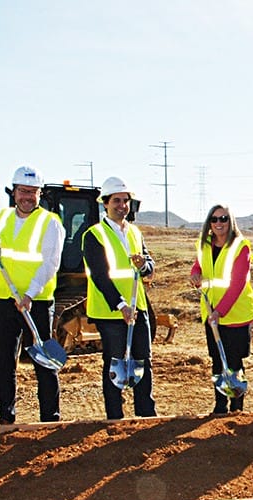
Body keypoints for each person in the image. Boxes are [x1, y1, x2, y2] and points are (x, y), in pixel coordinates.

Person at [0, 166, 64, 424]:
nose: (27, 196)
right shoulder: (3, 217)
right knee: (3, 359)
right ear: (14, 192)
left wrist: (29, 294)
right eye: (23, 191)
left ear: (40, 194)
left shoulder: (50, 223)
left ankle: (50, 417)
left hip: (35, 302)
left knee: (43, 361)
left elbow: (50, 264)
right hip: (3, 298)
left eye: (33, 192)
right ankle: (6, 414)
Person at [82, 176, 157, 420]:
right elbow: (100, 276)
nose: (122, 205)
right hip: (110, 311)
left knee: (142, 360)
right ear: (105, 203)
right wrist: (121, 305)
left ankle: (145, 413)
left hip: (138, 307)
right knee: (115, 364)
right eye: (117, 200)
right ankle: (115, 417)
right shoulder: (94, 235)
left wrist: (145, 266)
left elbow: (148, 264)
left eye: (126, 201)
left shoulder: (135, 232)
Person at [189, 204, 253, 414]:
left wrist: (221, 311)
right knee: (217, 361)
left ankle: (236, 407)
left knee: (233, 362)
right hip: (211, 314)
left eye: (224, 218)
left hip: (234, 315)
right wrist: (195, 274)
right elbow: (198, 265)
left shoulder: (240, 246)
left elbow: (237, 284)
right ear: (209, 222)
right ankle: (220, 405)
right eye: (215, 219)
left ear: (231, 221)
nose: (219, 223)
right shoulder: (204, 245)